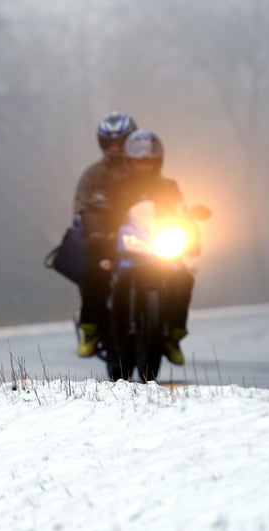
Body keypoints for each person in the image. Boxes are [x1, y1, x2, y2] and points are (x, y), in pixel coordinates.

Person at [76, 129, 197, 366]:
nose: (145, 166)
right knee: (94, 274)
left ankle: (173, 335)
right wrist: (99, 234)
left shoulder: (169, 187)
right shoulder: (114, 185)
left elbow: (183, 215)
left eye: (150, 161)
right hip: (121, 247)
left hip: (158, 248)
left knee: (184, 277)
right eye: (140, 161)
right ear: (130, 161)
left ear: (159, 162)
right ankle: (94, 329)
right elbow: (96, 210)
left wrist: (192, 236)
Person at [72, 112, 139, 358]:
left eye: (121, 142)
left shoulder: (142, 170)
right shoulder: (92, 175)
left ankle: (168, 330)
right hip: (105, 241)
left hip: (142, 239)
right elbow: (80, 209)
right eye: (110, 142)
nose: (115, 148)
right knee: (93, 276)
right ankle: (90, 329)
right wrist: (94, 233)